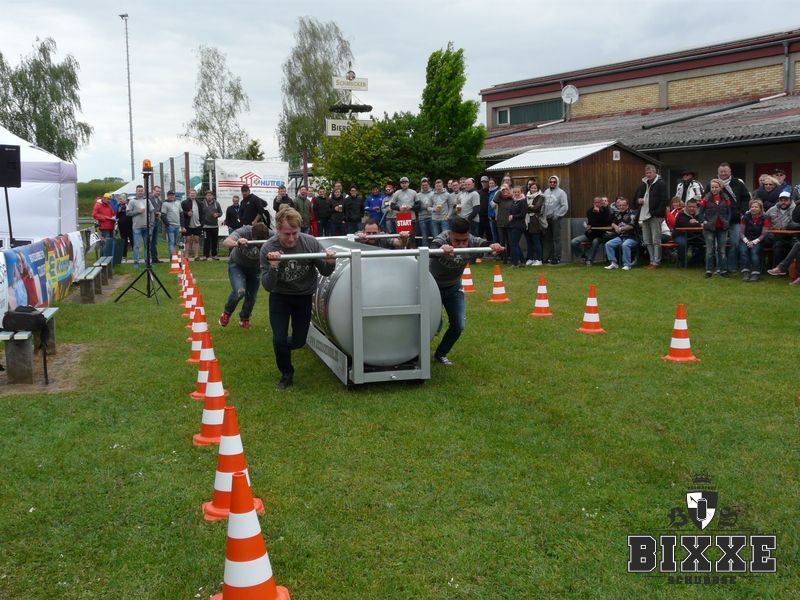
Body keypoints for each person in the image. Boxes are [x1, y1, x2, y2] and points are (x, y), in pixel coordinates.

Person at [260, 207, 337, 389]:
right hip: (280, 297)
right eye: (286, 234)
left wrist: (330, 262)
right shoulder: (268, 248)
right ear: (278, 230)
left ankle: (282, 348)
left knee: (299, 341)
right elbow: (267, 286)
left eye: (295, 233)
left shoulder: (310, 243)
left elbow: (325, 272)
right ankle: (286, 373)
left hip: (303, 296)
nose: (291, 238)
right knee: (279, 338)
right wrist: (274, 266)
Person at [429, 216, 503, 365]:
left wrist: (493, 245)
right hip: (432, 288)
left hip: (454, 287)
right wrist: (442, 249)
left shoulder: (471, 239)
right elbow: (433, 247)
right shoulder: (442, 238)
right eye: (457, 241)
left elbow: (485, 243)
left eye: (464, 241)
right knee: (433, 326)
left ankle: (441, 354)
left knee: (458, 325)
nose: (462, 245)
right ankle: (416, 354)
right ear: (450, 234)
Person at [219, 222, 269, 329]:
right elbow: (226, 241)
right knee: (239, 291)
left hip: (255, 268)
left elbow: (282, 238)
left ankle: (245, 318)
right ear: (252, 235)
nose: (259, 246)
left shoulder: (270, 234)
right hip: (237, 265)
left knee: (252, 296)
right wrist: (237, 242)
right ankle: (227, 313)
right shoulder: (244, 231)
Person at [707, 163, 749, 273]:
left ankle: (731, 267)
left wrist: (742, 211)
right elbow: (705, 199)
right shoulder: (712, 183)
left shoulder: (738, 183)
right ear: (718, 172)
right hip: (718, 220)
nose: (723, 173)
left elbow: (746, 198)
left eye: (725, 171)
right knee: (719, 246)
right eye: (721, 171)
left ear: (730, 172)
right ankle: (720, 267)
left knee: (735, 244)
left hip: (735, 219)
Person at [633, 164, 669, 269]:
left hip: (655, 216)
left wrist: (657, 213)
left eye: (650, 172)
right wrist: (638, 201)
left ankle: (656, 262)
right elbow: (635, 199)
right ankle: (651, 260)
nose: (648, 175)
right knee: (647, 240)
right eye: (646, 173)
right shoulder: (643, 184)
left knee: (656, 240)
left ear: (655, 172)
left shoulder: (660, 184)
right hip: (644, 216)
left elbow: (664, 200)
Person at [699, 178, 732, 278]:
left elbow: (729, 212)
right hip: (709, 227)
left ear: (720, 188)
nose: (714, 189)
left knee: (721, 250)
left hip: (722, 227)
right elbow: (700, 212)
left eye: (716, 187)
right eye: (712, 187)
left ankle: (723, 270)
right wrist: (703, 221)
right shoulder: (706, 198)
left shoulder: (726, 198)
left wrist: (727, 221)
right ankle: (709, 270)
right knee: (710, 250)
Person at [571, 196, 613, 266]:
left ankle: (590, 260)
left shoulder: (606, 211)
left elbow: (606, 222)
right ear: (593, 203)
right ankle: (583, 257)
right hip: (590, 234)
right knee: (574, 242)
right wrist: (589, 226)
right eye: (595, 202)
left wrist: (598, 213)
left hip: (601, 234)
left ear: (601, 203)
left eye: (598, 202)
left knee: (595, 241)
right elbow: (591, 223)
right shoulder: (590, 211)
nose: (597, 204)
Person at [739, 199, 770, 282]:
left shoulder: (765, 218)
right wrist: (747, 241)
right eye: (752, 207)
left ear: (760, 208)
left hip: (758, 240)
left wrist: (753, 242)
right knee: (743, 251)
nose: (754, 208)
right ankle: (745, 272)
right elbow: (741, 232)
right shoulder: (745, 217)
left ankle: (755, 273)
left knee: (754, 252)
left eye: (756, 207)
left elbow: (764, 234)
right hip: (745, 239)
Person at [604, 197, 639, 270]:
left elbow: (631, 226)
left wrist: (620, 229)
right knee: (608, 244)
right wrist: (616, 226)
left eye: (623, 205)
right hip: (621, 237)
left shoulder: (632, 213)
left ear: (627, 206)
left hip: (632, 237)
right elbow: (612, 223)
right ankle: (613, 263)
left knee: (625, 245)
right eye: (619, 205)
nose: (621, 207)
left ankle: (627, 265)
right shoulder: (617, 214)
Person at [542, 175, 568, 264]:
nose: (552, 183)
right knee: (547, 239)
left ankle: (557, 257)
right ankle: (548, 257)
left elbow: (565, 206)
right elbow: (543, 204)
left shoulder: (561, 193)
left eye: (554, 182)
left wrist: (557, 214)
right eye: (551, 182)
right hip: (546, 218)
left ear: (557, 183)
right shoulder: (546, 191)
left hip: (555, 218)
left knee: (556, 239)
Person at [765, 190, 794, 266]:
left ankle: (784, 267)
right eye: (781, 200)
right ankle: (777, 267)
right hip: (775, 236)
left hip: (791, 236)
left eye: (786, 200)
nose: (783, 202)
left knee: (784, 244)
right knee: (777, 244)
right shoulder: (772, 209)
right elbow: (764, 218)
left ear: (790, 200)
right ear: (778, 200)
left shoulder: (795, 209)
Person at [673, 198, 703, 267]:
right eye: (690, 207)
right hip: (680, 235)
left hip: (695, 236)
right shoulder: (681, 214)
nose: (691, 208)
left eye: (693, 207)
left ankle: (692, 262)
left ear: (696, 207)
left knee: (705, 244)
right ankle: (683, 263)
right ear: (686, 207)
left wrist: (696, 223)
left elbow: (703, 223)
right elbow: (684, 224)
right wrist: (696, 223)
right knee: (682, 243)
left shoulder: (699, 215)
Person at [126, 185, 149, 269]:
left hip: (146, 226)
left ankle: (147, 262)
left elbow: (152, 211)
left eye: (141, 191)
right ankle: (136, 262)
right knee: (136, 246)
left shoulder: (147, 200)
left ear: (143, 191)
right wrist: (138, 211)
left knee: (147, 245)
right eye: (139, 191)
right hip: (137, 227)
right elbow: (128, 213)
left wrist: (151, 223)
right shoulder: (132, 201)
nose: (140, 192)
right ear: (136, 192)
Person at [524, 182, 546, 266]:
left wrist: (528, 207)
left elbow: (537, 208)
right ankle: (530, 258)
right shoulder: (526, 196)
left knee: (536, 241)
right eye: (531, 188)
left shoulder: (541, 196)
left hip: (535, 221)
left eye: (535, 188)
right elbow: (523, 207)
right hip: (527, 221)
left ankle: (539, 259)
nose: (533, 189)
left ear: (538, 189)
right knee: (529, 241)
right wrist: (530, 207)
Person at [492, 184, 514, 263]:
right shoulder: (500, 198)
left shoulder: (512, 198)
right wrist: (500, 190)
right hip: (500, 223)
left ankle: (511, 257)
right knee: (502, 242)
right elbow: (494, 200)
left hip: (509, 223)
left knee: (510, 241)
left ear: (509, 190)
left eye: (506, 189)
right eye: (503, 190)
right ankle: (504, 258)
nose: (505, 191)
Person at [181, 189, 204, 261]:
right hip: (188, 225)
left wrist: (202, 223)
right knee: (187, 240)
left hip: (197, 224)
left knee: (197, 240)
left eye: (194, 193)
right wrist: (187, 213)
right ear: (189, 194)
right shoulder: (184, 203)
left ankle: (196, 256)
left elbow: (203, 213)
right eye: (191, 193)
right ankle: (186, 257)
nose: (193, 195)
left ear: (196, 194)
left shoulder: (200, 203)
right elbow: (181, 213)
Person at [92, 193, 116, 258]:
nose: (109, 201)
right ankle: (103, 258)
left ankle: (108, 258)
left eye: (110, 199)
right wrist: (105, 217)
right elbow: (94, 215)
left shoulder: (108, 205)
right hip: (104, 227)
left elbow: (112, 213)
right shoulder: (98, 205)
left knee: (109, 243)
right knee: (105, 243)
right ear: (104, 198)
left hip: (111, 226)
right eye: (108, 199)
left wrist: (114, 217)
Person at [201, 191, 222, 260]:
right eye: (207, 195)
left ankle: (214, 255)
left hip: (215, 226)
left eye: (210, 195)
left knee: (214, 241)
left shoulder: (216, 203)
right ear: (205, 196)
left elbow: (220, 213)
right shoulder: (202, 203)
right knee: (206, 241)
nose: (209, 197)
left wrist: (217, 214)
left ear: (213, 196)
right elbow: (200, 213)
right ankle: (205, 255)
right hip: (206, 226)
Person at [161, 190, 182, 258]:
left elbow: (181, 214)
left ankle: (174, 257)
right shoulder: (165, 204)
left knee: (175, 243)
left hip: (177, 226)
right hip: (170, 226)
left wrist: (182, 225)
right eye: (170, 195)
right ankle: (172, 258)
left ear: (174, 195)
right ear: (167, 196)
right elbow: (163, 215)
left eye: (173, 195)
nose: (171, 196)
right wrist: (168, 225)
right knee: (171, 242)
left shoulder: (178, 203)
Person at [416, 178, 434, 247]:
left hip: (432, 217)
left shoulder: (433, 193)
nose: (425, 186)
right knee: (424, 235)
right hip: (422, 217)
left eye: (426, 185)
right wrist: (424, 207)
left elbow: (436, 204)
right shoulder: (418, 195)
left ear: (429, 185)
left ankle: (435, 250)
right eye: (423, 185)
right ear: (421, 186)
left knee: (434, 234)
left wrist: (429, 207)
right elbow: (417, 207)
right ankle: (425, 251)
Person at [116, 193, 134, 262]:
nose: (120, 200)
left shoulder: (129, 205)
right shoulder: (119, 206)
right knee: (124, 241)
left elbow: (131, 214)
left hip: (130, 226)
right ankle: (124, 256)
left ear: (125, 199)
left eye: (121, 199)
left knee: (132, 241)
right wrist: (119, 210)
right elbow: (117, 216)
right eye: (119, 199)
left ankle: (135, 256)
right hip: (122, 227)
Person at [149, 185, 163, 262]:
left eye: (159, 191)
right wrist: (156, 213)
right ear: (153, 191)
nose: (158, 193)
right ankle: (148, 259)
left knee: (154, 241)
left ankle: (154, 258)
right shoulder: (149, 199)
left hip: (156, 222)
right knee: (149, 240)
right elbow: (148, 210)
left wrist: (159, 214)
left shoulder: (159, 201)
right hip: (150, 222)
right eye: (157, 191)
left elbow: (160, 210)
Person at [477, 175, 492, 240]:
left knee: (490, 235)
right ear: (481, 183)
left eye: (485, 182)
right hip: (480, 217)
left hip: (489, 217)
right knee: (479, 235)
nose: (484, 183)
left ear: (488, 182)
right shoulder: (478, 192)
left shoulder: (491, 192)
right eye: (482, 182)